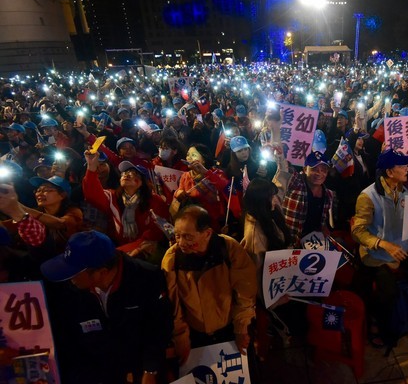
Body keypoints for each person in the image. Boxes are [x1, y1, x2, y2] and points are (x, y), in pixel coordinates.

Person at [40, 230, 173, 384]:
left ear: (101, 273)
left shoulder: (147, 278)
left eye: (75, 272)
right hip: (94, 373)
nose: (70, 278)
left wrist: (150, 370)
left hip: (139, 370)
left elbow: (158, 328)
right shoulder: (70, 290)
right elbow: (70, 341)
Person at [352, 149, 408, 347]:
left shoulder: (404, 191)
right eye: (403, 166)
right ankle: (378, 323)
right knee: (387, 293)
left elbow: (407, 223)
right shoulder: (367, 196)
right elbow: (357, 231)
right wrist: (383, 244)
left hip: (402, 250)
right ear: (389, 172)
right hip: (376, 255)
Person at [162, 205, 257, 364]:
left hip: (229, 329)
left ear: (207, 233)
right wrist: (180, 336)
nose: (181, 243)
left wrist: (241, 328)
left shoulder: (228, 248)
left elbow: (245, 290)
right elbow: (173, 304)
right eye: (177, 236)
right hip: (195, 335)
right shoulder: (172, 259)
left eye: (188, 237)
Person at [83, 152, 170, 259]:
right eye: (124, 173)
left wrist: (124, 252)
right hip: (120, 248)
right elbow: (92, 194)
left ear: (142, 182)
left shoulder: (155, 201)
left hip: (145, 250)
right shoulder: (113, 197)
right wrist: (91, 167)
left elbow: (155, 234)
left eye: (133, 173)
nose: (126, 175)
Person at [282, 151, 334, 246]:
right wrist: (279, 153)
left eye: (324, 170)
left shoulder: (328, 194)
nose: (319, 173)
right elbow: (284, 168)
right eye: (314, 169)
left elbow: (322, 221)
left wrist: (324, 229)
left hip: (313, 243)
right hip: (291, 242)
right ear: (305, 169)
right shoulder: (296, 182)